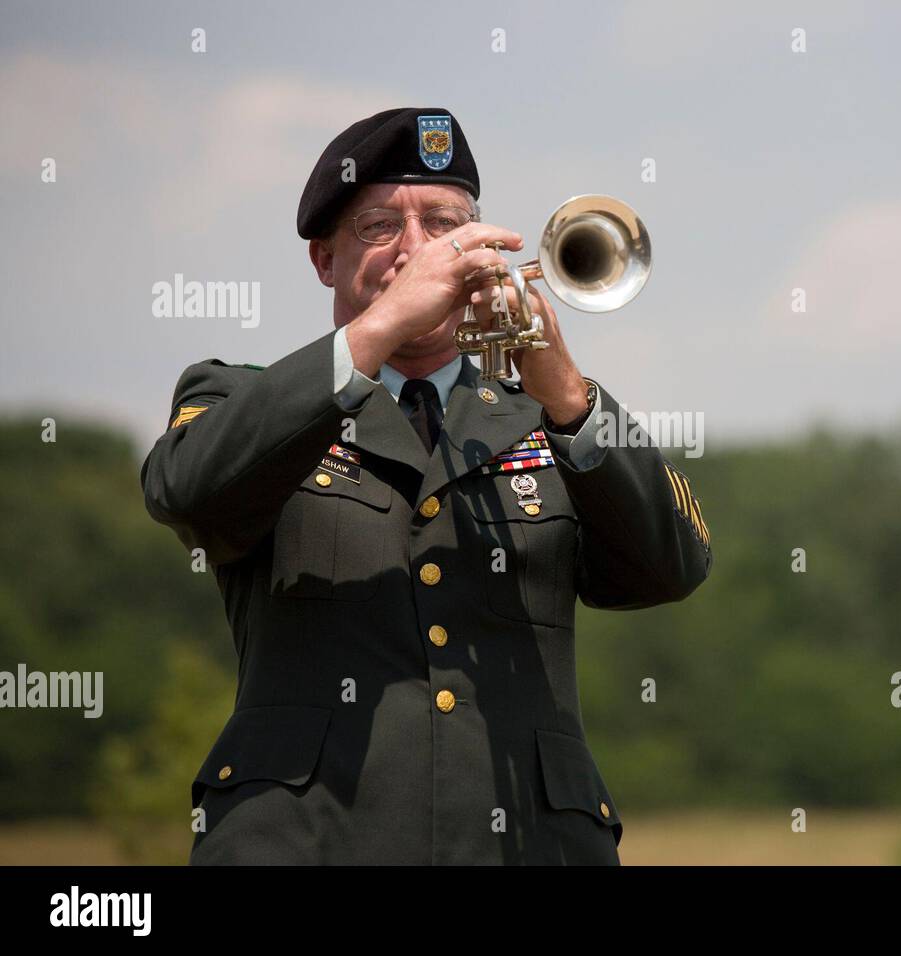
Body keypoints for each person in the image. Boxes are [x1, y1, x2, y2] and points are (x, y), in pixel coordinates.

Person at [140, 107, 712, 864]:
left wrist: (569, 398)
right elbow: (187, 490)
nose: (417, 250)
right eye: (381, 227)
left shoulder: (549, 413)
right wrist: (377, 332)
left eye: (443, 223)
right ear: (324, 259)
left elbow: (670, 567)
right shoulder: (238, 398)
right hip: (303, 843)